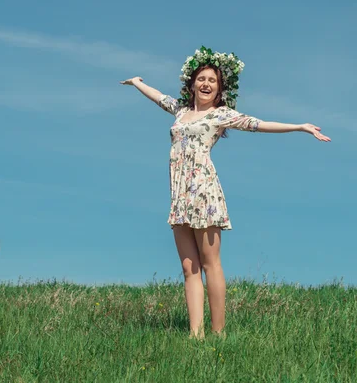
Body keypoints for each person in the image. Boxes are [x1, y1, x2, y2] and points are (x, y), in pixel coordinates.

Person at [120, 46, 331, 341]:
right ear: (192, 84)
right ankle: (196, 335)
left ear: (219, 89)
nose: (206, 84)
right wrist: (138, 82)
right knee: (188, 267)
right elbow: (159, 97)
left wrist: (300, 126)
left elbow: (258, 124)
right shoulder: (181, 112)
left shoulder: (222, 115)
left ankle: (219, 334)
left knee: (209, 263)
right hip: (180, 195)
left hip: (203, 192)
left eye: (213, 81)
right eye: (201, 79)